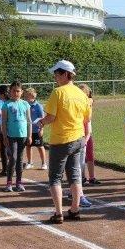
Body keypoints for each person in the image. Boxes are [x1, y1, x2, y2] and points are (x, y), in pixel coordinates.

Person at [38, 60, 91, 224]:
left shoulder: (58, 92)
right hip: (78, 139)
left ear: (66, 74)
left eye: (57, 73)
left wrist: (41, 122)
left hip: (61, 140)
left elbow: (51, 117)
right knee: (74, 176)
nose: (55, 76)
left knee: (55, 178)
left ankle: (59, 213)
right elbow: (86, 118)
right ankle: (75, 210)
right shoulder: (81, 94)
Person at [1, 81, 32, 192]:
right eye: (13, 91)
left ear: (21, 92)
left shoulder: (25, 104)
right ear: (10, 91)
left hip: (22, 136)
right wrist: (5, 136)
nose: (15, 93)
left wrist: (29, 136)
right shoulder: (6, 105)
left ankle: (19, 182)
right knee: (13, 158)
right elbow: (4, 122)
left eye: (18, 91)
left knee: (20, 159)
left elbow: (29, 121)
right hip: (11, 136)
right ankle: (9, 183)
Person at [78, 84, 100, 186]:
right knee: (80, 157)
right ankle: (82, 177)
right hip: (78, 133)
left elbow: (91, 101)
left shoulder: (88, 102)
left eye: (84, 93)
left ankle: (92, 177)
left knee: (90, 155)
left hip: (87, 132)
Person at [23, 87, 47, 170]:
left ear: (32, 96)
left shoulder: (38, 106)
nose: (25, 97)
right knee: (28, 146)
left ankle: (44, 163)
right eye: (25, 96)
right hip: (27, 131)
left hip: (36, 130)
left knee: (40, 146)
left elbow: (42, 118)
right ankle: (30, 163)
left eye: (27, 96)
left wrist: (41, 129)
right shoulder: (25, 105)